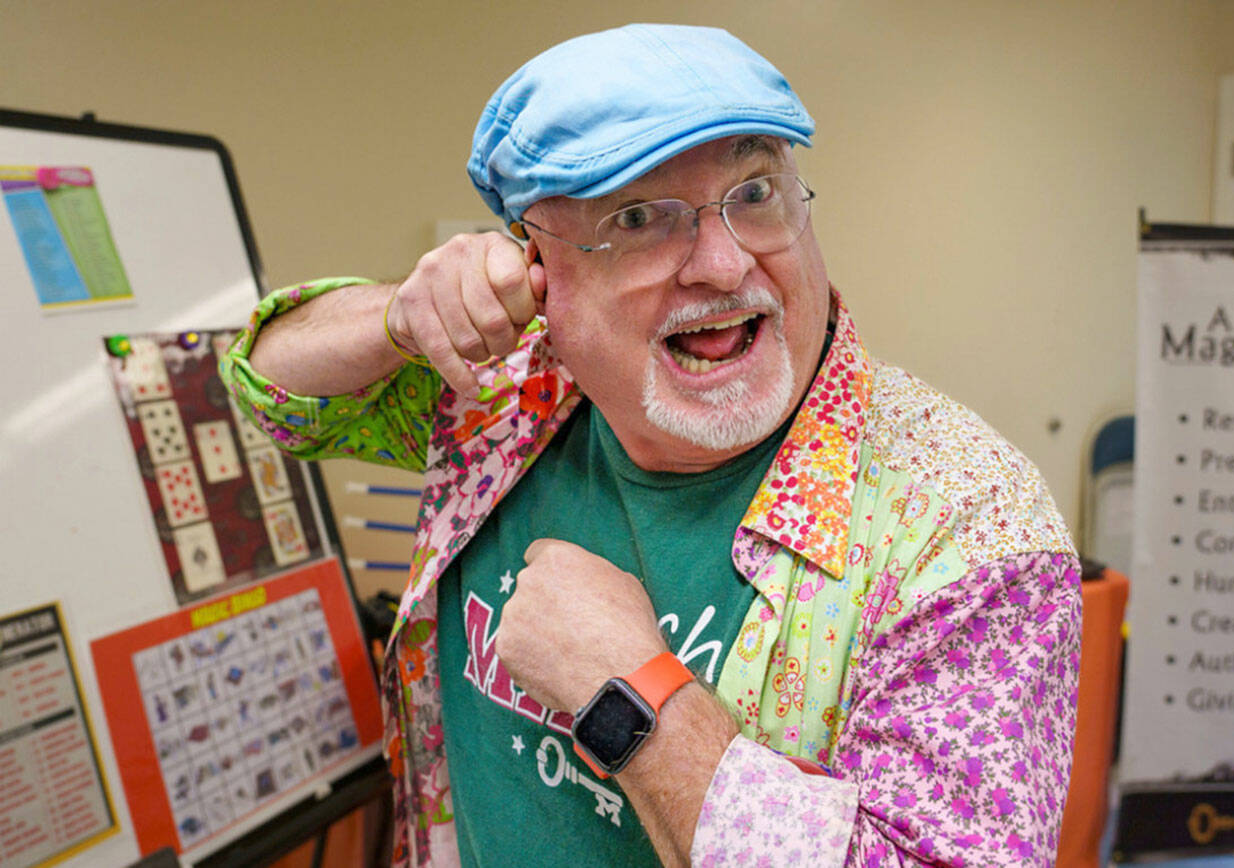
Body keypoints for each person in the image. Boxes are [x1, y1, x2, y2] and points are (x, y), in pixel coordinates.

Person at [220, 23, 1081, 867]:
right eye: (639, 217)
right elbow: (277, 392)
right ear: (539, 270)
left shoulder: (968, 524)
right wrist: (401, 316)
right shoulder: (512, 388)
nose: (723, 262)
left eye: (753, 194)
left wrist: (632, 695)